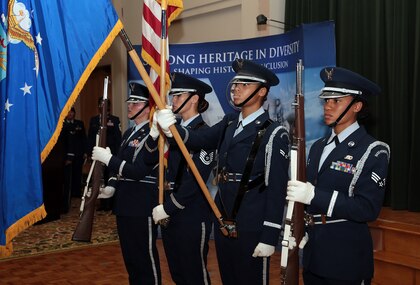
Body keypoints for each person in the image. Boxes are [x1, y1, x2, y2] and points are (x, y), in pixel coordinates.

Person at [155, 59, 290, 284]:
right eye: (235, 84)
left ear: (261, 91)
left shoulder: (275, 133)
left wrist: (269, 235)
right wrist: (172, 129)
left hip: (252, 222)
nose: (236, 88)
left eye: (244, 84)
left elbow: (276, 188)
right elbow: (198, 140)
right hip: (224, 218)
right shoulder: (228, 122)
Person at [287, 67, 390, 285]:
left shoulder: (373, 149)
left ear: (357, 106)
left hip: (346, 257)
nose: (328, 107)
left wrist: (315, 196)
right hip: (314, 254)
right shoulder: (317, 147)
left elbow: (367, 208)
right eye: (326, 101)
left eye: (337, 101)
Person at [144, 72, 215, 284]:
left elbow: (195, 181)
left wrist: (169, 207)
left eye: (178, 96)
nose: (172, 101)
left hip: (192, 213)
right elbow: (148, 160)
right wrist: (155, 133)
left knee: (194, 274)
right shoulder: (171, 130)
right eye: (172, 96)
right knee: (177, 273)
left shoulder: (205, 133)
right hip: (170, 211)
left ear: (194, 98)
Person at [91, 83, 161, 285]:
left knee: (145, 258)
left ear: (149, 107)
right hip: (124, 203)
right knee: (131, 260)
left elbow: (139, 170)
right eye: (129, 101)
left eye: (136, 102)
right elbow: (120, 166)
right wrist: (112, 184)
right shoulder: (129, 133)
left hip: (141, 204)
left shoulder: (153, 134)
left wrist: (109, 159)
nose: (130, 106)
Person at [87, 96, 122, 211]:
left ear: (109, 106)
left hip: (110, 155)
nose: (102, 106)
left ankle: (110, 204)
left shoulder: (115, 120)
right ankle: (102, 204)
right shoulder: (94, 120)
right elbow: (90, 138)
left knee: (110, 178)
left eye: (105, 104)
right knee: (99, 178)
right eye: (100, 104)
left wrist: (117, 155)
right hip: (97, 154)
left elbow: (118, 138)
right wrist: (89, 153)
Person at [62, 107, 87, 212]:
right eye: (69, 112)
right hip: (66, 155)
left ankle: (77, 192)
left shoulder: (79, 124)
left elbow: (84, 138)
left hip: (78, 153)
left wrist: (86, 151)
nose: (70, 114)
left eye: (72, 112)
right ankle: (69, 193)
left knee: (77, 173)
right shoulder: (62, 124)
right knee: (68, 175)